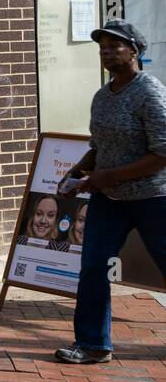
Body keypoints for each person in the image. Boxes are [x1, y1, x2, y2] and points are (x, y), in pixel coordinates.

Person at [55, 18, 166, 364]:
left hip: (153, 197)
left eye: (114, 45)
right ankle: (93, 344)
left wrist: (109, 176)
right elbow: (99, 146)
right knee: (93, 267)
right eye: (102, 47)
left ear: (134, 50)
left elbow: (163, 153)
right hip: (110, 199)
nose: (106, 52)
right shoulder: (102, 96)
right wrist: (77, 171)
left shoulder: (149, 91)